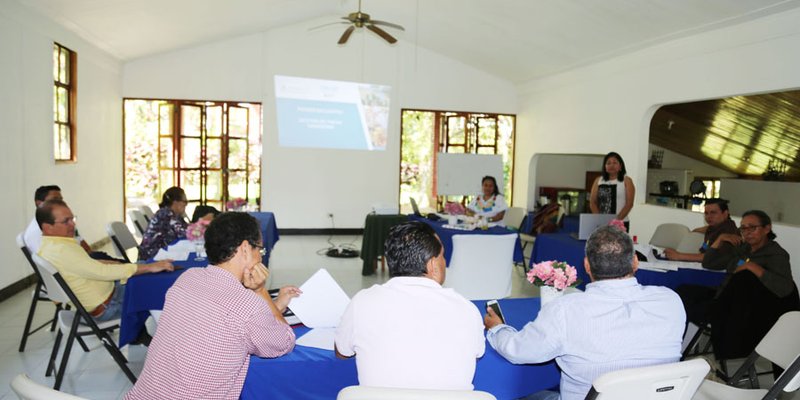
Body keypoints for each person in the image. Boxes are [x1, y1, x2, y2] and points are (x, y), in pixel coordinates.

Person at [484, 226, 685, 400]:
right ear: (635, 262)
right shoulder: (671, 301)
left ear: (586, 265)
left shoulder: (566, 310)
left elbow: (518, 351)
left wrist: (498, 329)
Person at [125, 212, 299, 399]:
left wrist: (273, 305)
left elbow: (223, 318)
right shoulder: (248, 305)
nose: (260, 257)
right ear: (246, 249)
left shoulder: (187, 278)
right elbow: (284, 342)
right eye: (260, 250)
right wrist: (260, 291)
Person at [335, 221, 485, 390]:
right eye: (443, 256)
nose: (445, 262)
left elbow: (342, 352)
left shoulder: (362, 302)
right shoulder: (466, 309)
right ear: (433, 265)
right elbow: (476, 355)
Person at [37, 200, 174, 322]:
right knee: (162, 284)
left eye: (72, 219)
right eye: (65, 221)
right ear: (47, 227)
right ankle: (174, 339)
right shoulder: (62, 250)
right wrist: (149, 268)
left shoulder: (49, 246)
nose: (72, 224)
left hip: (107, 296)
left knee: (149, 269)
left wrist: (124, 265)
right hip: (110, 306)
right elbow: (102, 272)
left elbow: (86, 266)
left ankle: (141, 335)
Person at [699, 210, 799, 360]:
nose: (747, 232)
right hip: (728, 300)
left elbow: (785, 288)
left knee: (744, 278)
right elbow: (709, 263)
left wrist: (753, 267)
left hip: (755, 311)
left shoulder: (776, 254)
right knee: (685, 291)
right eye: (743, 228)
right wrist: (719, 240)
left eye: (752, 227)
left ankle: (726, 352)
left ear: (766, 229)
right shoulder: (743, 249)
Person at [664, 198, 738, 262]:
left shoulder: (729, 233)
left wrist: (679, 256)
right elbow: (699, 230)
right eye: (706, 213)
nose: (709, 217)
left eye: (713, 213)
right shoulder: (714, 227)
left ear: (725, 214)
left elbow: (713, 258)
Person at [138, 187, 189, 261]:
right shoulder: (166, 214)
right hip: (151, 257)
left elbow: (186, 227)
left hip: (161, 252)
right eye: (185, 201)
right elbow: (186, 233)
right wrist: (202, 222)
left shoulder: (173, 214)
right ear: (175, 202)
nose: (186, 204)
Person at [589, 152, 635, 230]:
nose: (611, 165)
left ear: (620, 166)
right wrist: (599, 220)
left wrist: (615, 222)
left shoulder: (626, 180)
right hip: (601, 224)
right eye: (608, 163)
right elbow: (593, 202)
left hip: (621, 223)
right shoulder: (598, 180)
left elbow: (629, 204)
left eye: (615, 162)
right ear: (605, 167)